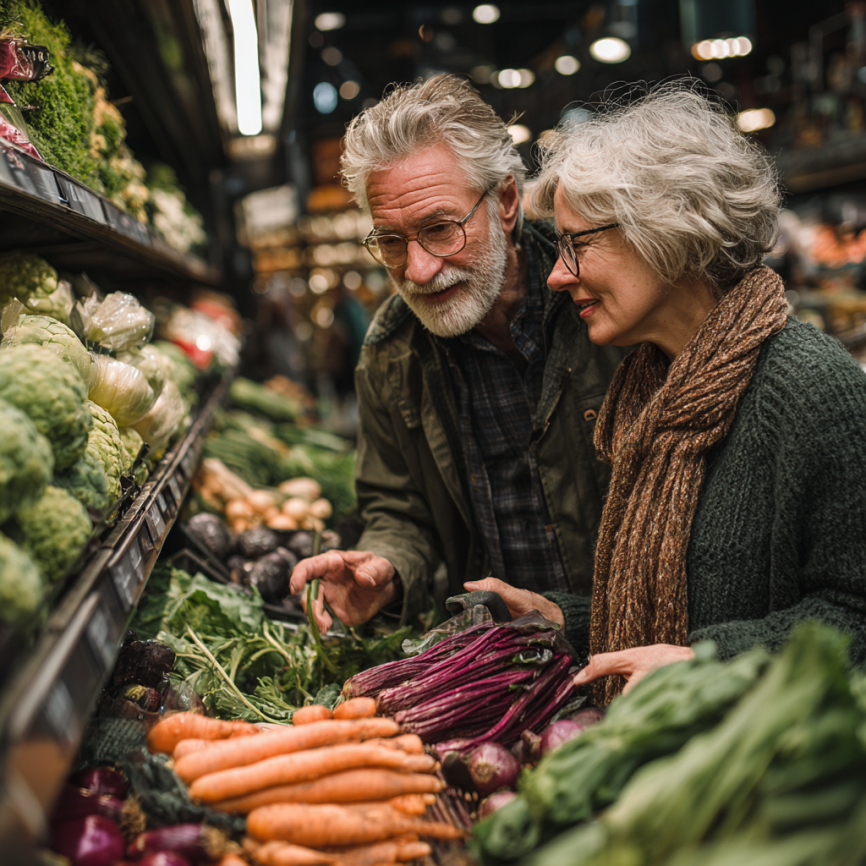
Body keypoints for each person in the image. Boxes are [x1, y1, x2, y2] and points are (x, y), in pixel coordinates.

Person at [524, 83, 866, 702]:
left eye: (577, 243)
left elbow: (854, 616)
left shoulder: (812, 390)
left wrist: (708, 665)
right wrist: (561, 621)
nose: (555, 275)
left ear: (668, 231)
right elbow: (670, 623)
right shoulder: (649, 388)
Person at [289, 75, 627, 638]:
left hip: (646, 645)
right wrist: (387, 567)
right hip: (501, 661)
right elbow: (399, 508)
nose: (418, 270)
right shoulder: (391, 355)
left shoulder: (609, 303)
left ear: (506, 202)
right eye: (390, 241)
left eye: (440, 229)